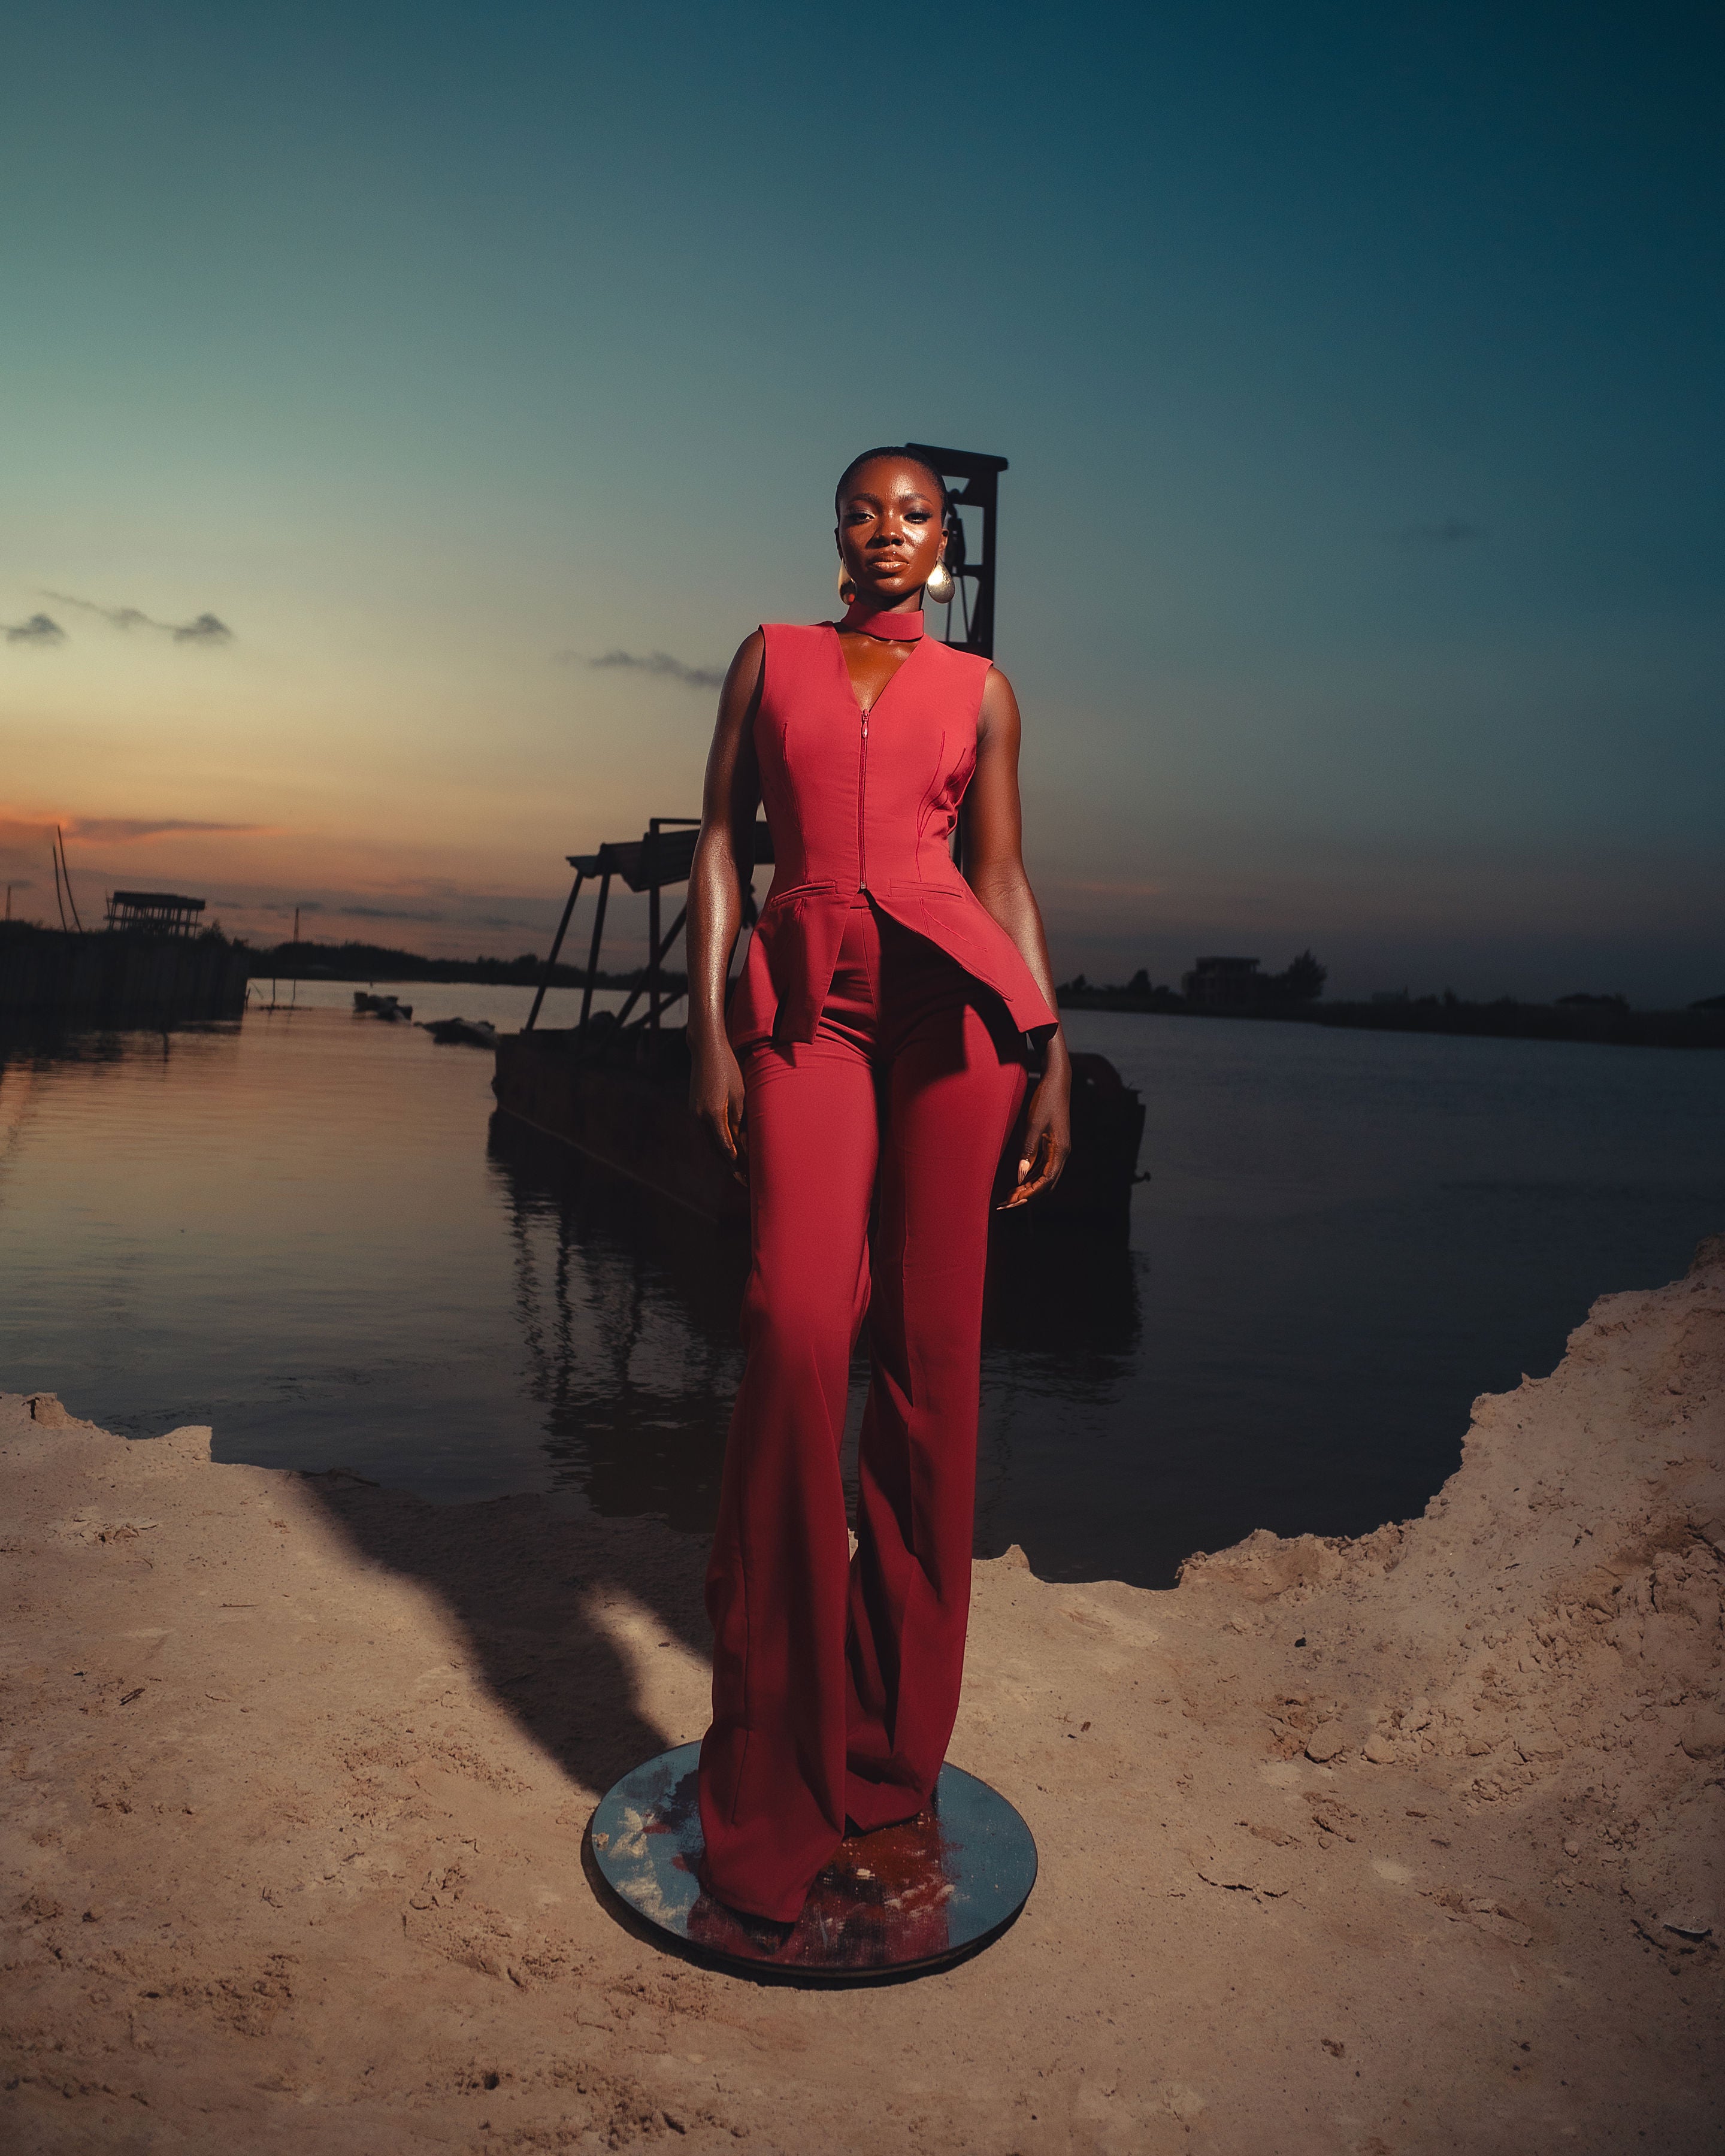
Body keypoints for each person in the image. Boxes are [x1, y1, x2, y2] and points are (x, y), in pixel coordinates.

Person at [684, 446, 1070, 1925]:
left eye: (917, 513)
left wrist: (1052, 1048)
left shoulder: (981, 689)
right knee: (793, 1330)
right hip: (807, 1009)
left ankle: (891, 1762)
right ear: (835, 530)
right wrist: (713, 1031)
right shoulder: (767, 658)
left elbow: (1008, 879)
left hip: (957, 1010)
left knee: (933, 1365)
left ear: (942, 540)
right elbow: (724, 837)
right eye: (865, 510)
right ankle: (774, 1764)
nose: (889, 531)